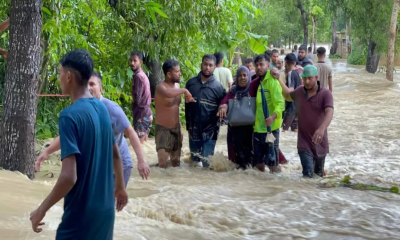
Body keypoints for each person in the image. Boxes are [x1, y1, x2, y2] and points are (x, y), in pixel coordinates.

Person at [30, 50, 128, 238]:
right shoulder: (101, 108)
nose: (59, 78)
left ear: (68, 77)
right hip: (105, 214)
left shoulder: (69, 115)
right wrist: (120, 188)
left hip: (81, 218)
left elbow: (69, 177)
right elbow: (115, 154)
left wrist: (41, 210)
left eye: (59, 73)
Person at [36, 72, 151, 187]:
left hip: (119, 167)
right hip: (97, 167)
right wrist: (47, 151)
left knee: (109, 204)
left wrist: (141, 161)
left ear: (100, 89)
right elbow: (67, 137)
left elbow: (130, 133)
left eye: (92, 84)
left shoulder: (112, 109)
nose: (88, 88)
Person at [277, 65, 334, 178]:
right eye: (304, 79)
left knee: (318, 176)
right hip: (304, 142)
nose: (306, 81)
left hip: (320, 142)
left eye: (310, 78)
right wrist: (278, 78)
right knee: (308, 175)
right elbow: (288, 95)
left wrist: (321, 129)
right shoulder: (299, 92)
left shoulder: (325, 93)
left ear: (316, 78)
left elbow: (329, 112)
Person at [185, 54, 226, 168]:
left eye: (210, 65)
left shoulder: (218, 87)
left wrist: (219, 124)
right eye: (205, 64)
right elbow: (187, 106)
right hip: (194, 128)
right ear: (201, 64)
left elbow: (223, 107)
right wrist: (188, 125)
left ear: (214, 68)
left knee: (207, 162)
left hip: (210, 129)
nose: (207, 67)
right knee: (194, 161)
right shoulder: (191, 83)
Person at [155, 59, 195, 168]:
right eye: (177, 72)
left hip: (176, 129)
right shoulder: (161, 88)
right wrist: (185, 90)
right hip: (163, 129)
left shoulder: (177, 87)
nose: (180, 74)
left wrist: (180, 130)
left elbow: (176, 109)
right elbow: (168, 94)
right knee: (162, 164)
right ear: (168, 74)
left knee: (176, 164)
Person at [249, 54, 285, 172]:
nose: (259, 67)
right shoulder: (257, 82)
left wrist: (273, 117)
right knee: (258, 165)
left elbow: (280, 104)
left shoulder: (273, 81)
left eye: (262, 65)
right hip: (258, 129)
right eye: (257, 65)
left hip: (271, 129)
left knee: (273, 165)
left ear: (268, 66)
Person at [218, 66, 254, 169]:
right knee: (235, 164)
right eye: (240, 76)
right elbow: (224, 102)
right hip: (234, 131)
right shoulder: (233, 91)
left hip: (250, 131)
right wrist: (223, 106)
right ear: (236, 78)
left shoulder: (253, 90)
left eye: (245, 75)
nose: (242, 78)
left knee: (250, 163)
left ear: (248, 76)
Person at [130, 50, 152, 143]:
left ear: (140, 62)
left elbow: (137, 100)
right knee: (144, 146)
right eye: (130, 60)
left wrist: (124, 96)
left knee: (137, 146)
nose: (132, 63)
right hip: (147, 115)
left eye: (135, 61)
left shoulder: (138, 77)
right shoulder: (143, 75)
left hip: (142, 116)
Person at [282, 53, 302, 132]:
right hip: (298, 103)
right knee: (295, 129)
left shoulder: (290, 73)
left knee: (284, 129)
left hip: (291, 104)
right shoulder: (297, 73)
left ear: (286, 63)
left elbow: (291, 89)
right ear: (295, 62)